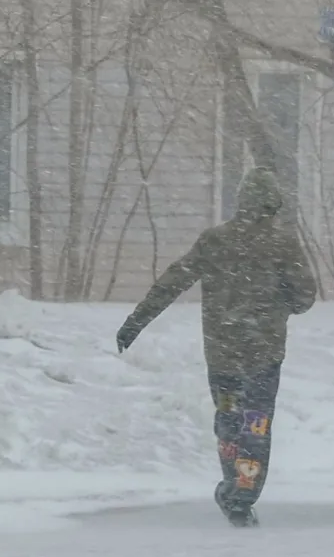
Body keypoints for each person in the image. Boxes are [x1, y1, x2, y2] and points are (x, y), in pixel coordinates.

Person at [116, 167, 318, 527]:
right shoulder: (283, 243)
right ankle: (245, 489)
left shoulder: (215, 240)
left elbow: (174, 280)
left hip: (223, 354)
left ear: (242, 202)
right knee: (256, 423)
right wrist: (279, 304)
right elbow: (305, 297)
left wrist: (137, 321)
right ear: (274, 204)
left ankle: (232, 481)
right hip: (264, 356)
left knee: (228, 419)